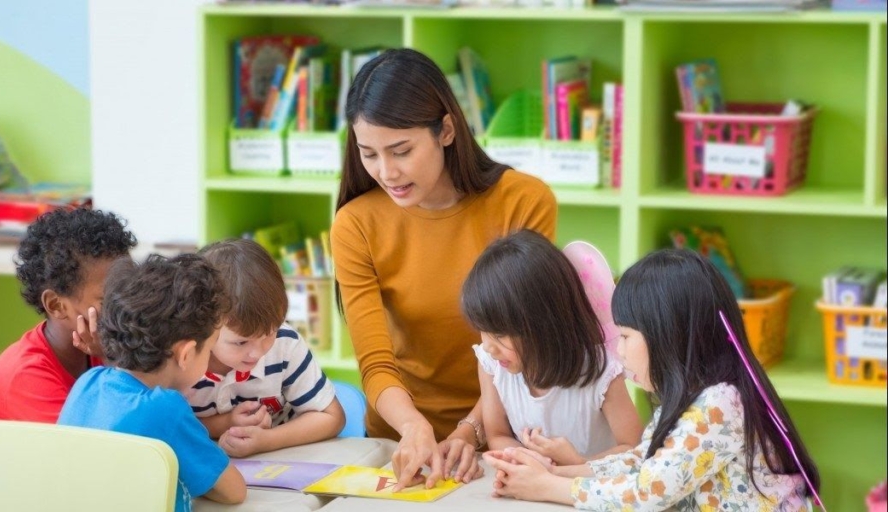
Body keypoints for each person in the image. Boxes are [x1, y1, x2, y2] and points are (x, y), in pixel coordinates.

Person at [330, 47, 557, 490]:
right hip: (400, 441)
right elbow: (375, 363)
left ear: (446, 130)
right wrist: (414, 429)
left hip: (508, 434)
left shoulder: (524, 203)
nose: (386, 172)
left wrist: (470, 429)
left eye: (401, 150)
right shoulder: (355, 223)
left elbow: (525, 345)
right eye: (368, 154)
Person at [483, 249, 820, 510]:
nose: (620, 351)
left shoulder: (720, 403)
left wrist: (546, 487)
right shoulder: (691, 399)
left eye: (627, 337)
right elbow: (641, 462)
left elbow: (648, 492)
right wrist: (551, 473)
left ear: (668, 335)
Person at [0, 208, 137, 511]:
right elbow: (92, 463)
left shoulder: (92, 351)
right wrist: (112, 356)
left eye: (131, 291)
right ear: (56, 305)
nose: (128, 308)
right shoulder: (29, 375)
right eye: (109, 301)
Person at [58, 254, 246, 510]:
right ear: (186, 354)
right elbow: (234, 491)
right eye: (210, 349)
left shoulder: (88, 383)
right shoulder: (164, 408)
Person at [461, 230, 643, 467]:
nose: (488, 346)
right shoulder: (492, 365)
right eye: (482, 330)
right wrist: (536, 461)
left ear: (544, 323)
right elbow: (498, 435)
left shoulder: (601, 373)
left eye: (499, 334)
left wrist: (577, 463)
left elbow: (634, 450)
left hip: (587, 494)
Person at [185, 238, 345, 457]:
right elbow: (162, 426)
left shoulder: (285, 343)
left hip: (279, 464)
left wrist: (267, 440)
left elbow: (331, 417)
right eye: (241, 342)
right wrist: (224, 423)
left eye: (269, 333)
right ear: (204, 324)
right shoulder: (182, 358)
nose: (258, 352)